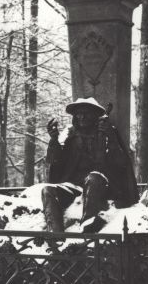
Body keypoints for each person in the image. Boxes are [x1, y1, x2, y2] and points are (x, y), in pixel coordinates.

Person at [42, 97, 139, 233]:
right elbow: (56, 162)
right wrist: (54, 140)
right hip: (75, 187)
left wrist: (110, 138)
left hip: (102, 186)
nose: (82, 117)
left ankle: (87, 231)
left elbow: (120, 163)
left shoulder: (106, 133)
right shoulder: (71, 137)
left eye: (86, 113)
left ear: (95, 115)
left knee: (93, 178)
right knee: (48, 190)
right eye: (78, 114)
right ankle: (55, 235)